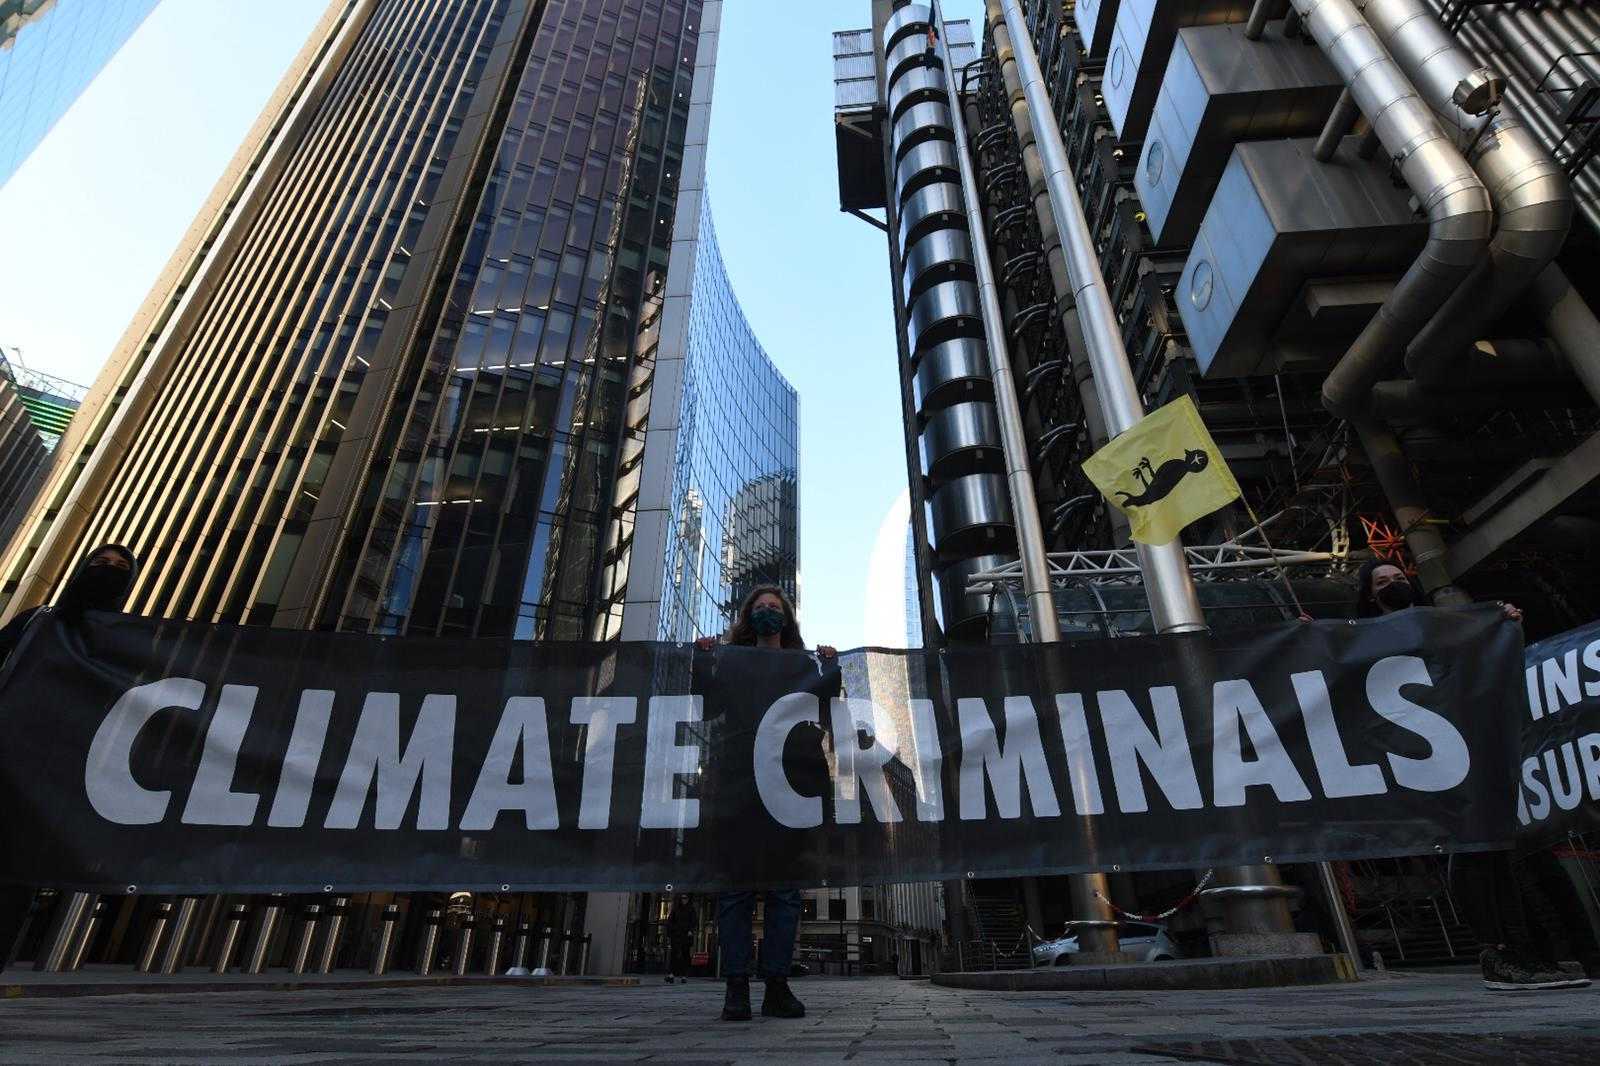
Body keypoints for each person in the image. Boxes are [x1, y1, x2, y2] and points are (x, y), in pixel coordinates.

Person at [1353, 560, 1589, 991]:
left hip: (1473, 748)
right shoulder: (1360, 640)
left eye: (1399, 577)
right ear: (1370, 595)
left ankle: (1542, 954)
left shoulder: (1450, 625)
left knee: (1506, 851)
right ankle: (1500, 955)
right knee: (1472, 852)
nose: (1394, 585)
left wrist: (1502, 622)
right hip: (1425, 762)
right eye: (1383, 582)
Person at [695, 584, 835, 1022]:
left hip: (788, 783)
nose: (768, 614)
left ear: (787, 619)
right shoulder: (729, 662)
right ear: (747, 617)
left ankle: (776, 985)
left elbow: (824, 706)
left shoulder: (803, 665)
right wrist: (702, 660)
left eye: (775, 608)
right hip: (738, 783)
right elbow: (708, 706)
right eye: (760, 608)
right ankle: (736, 988)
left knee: (784, 890)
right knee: (735, 891)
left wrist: (831, 667)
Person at [0, 544, 137, 972]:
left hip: (56, 773)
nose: (108, 571)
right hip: (9, 750)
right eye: (100, 564)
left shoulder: (128, 638)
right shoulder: (39, 621)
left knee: (12, 878)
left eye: (119, 568)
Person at [664, 894, 697, 983]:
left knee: (685, 954)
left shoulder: (691, 909)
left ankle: (684, 975)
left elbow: (694, 921)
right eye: (683, 898)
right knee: (674, 954)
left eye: (685, 898)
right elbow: (670, 921)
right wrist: (670, 933)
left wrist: (690, 930)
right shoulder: (676, 909)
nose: (684, 900)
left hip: (685, 935)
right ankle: (672, 974)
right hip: (677, 935)